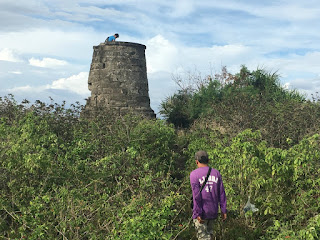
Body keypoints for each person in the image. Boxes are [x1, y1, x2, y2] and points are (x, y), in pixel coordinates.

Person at [190, 150, 227, 240]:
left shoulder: (194, 174)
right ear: (208, 160)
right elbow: (221, 193)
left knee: (203, 237)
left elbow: (196, 196)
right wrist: (223, 210)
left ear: (196, 161)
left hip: (201, 213)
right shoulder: (216, 173)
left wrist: (198, 213)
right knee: (210, 235)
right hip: (213, 211)